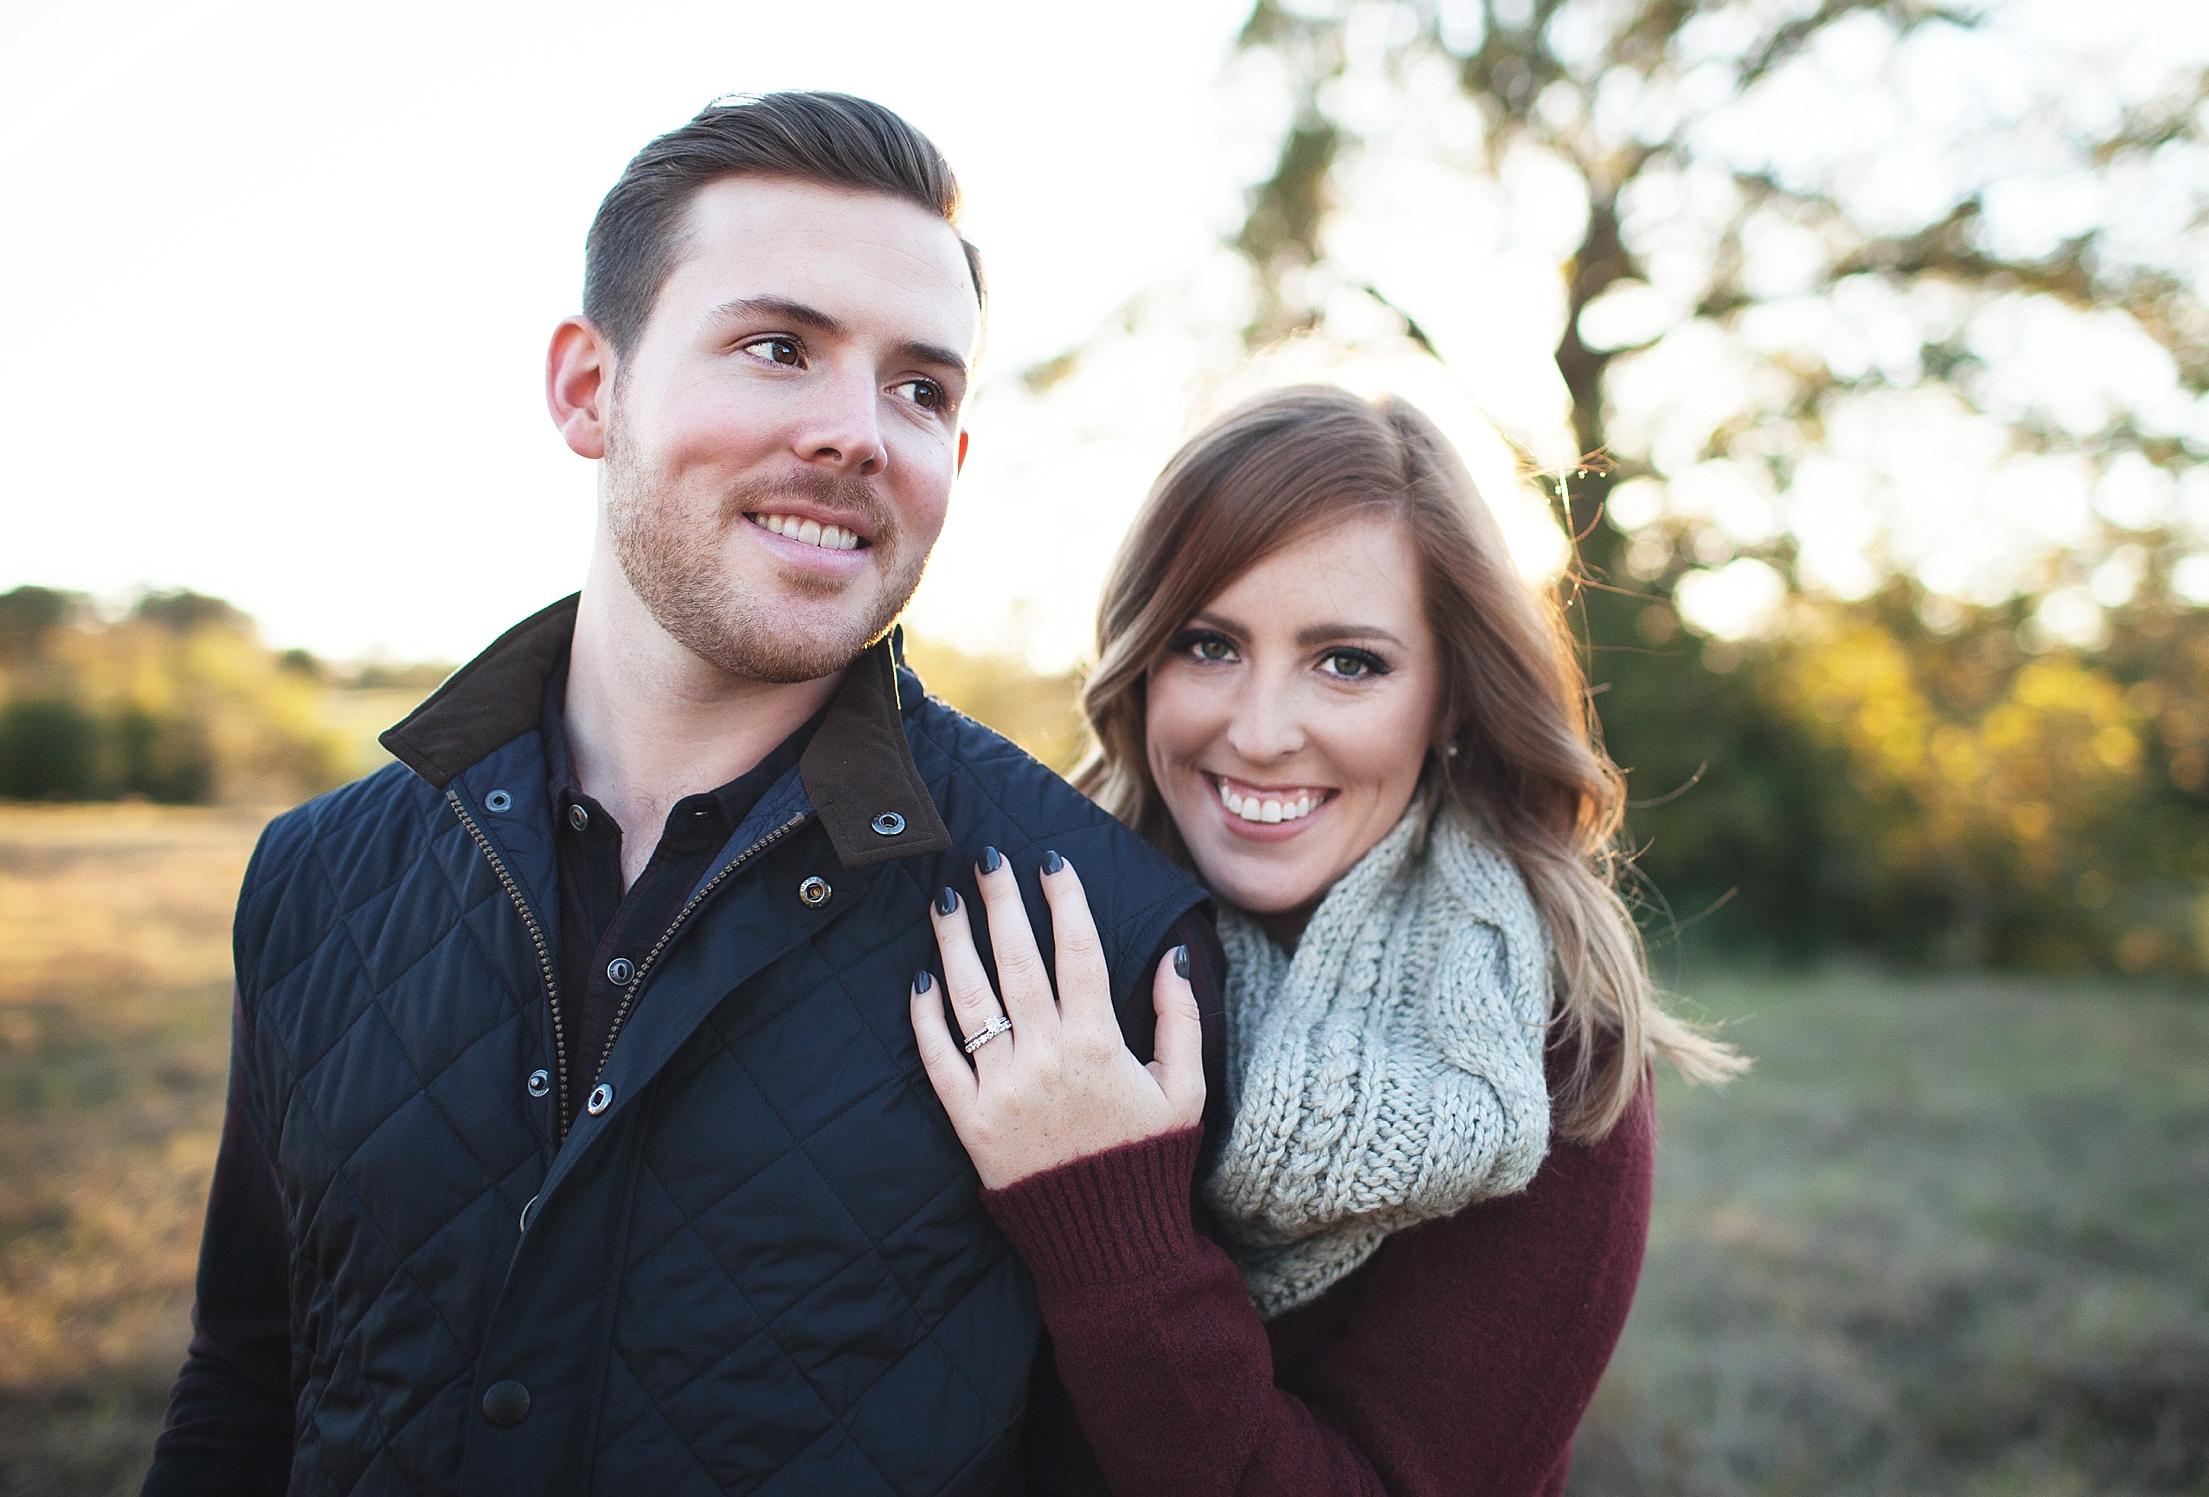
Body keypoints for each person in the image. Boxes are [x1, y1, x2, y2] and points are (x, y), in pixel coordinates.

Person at [142, 92, 1223, 1497]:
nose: (857, 434)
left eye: (920, 389)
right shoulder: (312, 878)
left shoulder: (1100, 936)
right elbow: (249, 1379)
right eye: (778, 348)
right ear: (590, 391)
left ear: (953, 463)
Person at [910, 386, 1746, 1496]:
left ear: (1451, 698)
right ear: (1140, 663)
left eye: (1347, 662)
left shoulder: (1551, 1056)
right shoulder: (1023, 940)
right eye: (1207, 645)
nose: (1258, 733)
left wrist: (1106, 1221)